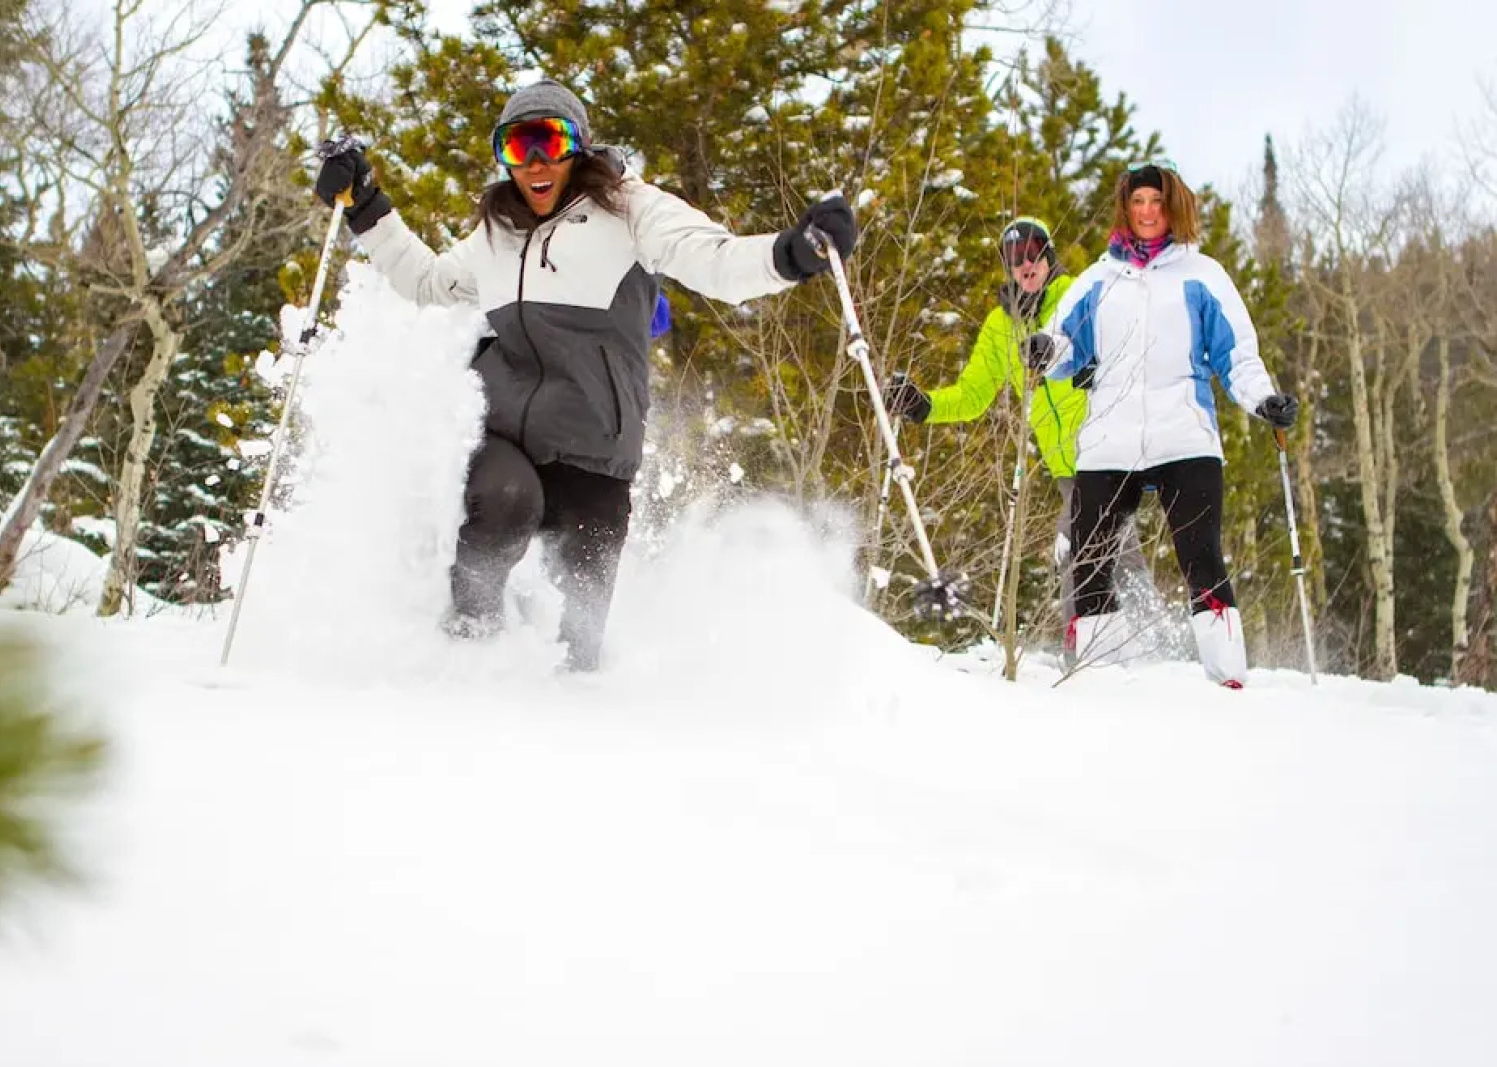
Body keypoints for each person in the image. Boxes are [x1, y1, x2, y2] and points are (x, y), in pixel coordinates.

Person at [313, 79, 857, 671]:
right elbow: (427, 282)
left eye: (552, 141)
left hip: (596, 451)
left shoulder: (632, 211)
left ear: (581, 147)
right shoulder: (496, 234)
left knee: (580, 643)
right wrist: (366, 206)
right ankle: (463, 652)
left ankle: (578, 727)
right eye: (519, 148)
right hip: (506, 436)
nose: (538, 163)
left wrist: (791, 254)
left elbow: (717, 261)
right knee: (504, 503)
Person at [1026, 159, 1298, 687]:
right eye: (1137, 203)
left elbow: (1237, 356)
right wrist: (1045, 350)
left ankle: (1228, 677)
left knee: (1200, 553)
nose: (1147, 212)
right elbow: (1062, 341)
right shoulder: (1099, 279)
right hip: (1110, 438)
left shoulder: (1202, 276)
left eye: (1156, 202)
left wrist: (1264, 400)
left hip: (1185, 435)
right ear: (1125, 210)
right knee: (1090, 553)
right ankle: (1098, 672)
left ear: (1173, 207)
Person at [882, 217, 1142, 641]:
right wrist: (924, 406)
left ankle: (1112, 650)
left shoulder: (1076, 297)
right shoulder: (1000, 327)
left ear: (1049, 255)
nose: (1027, 264)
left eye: (1035, 252)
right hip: (1065, 467)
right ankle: (1129, 648)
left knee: (1082, 546)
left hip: (1105, 446)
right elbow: (972, 395)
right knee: (1105, 552)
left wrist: (1087, 366)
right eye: (1016, 258)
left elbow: (1119, 343)